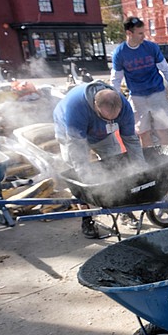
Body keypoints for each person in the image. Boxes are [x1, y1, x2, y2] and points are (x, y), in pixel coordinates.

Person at [53, 81, 144, 238]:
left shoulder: (124, 107)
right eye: (106, 118)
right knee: (78, 177)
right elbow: (77, 150)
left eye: (113, 120)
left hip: (103, 136)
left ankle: (123, 210)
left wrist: (142, 169)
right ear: (95, 106)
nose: (110, 122)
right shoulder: (76, 107)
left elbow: (131, 141)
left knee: (116, 165)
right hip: (71, 135)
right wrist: (86, 181)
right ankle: (87, 218)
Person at [111, 17, 168, 147]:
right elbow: (116, 79)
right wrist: (116, 99)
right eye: (140, 33)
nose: (144, 36)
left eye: (144, 32)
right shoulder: (120, 53)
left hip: (157, 93)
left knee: (163, 130)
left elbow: (166, 69)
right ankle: (150, 161)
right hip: (137, 96)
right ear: (129, 33)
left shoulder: (151, 48)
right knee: (143, 132)